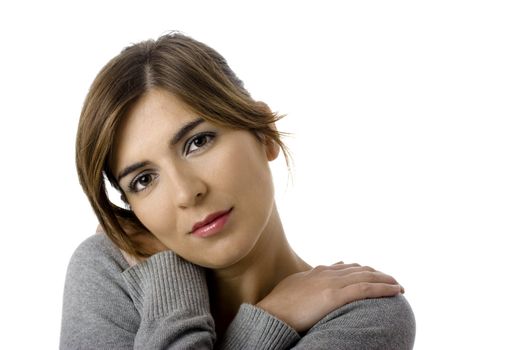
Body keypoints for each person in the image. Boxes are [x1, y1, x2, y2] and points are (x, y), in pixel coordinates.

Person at [60, 32, 416, 349]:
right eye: (144, 180)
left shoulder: (364, 313)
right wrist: (274, 317)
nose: (186, 193)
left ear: (265, 133)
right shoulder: (109, 271)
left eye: (198, 142)